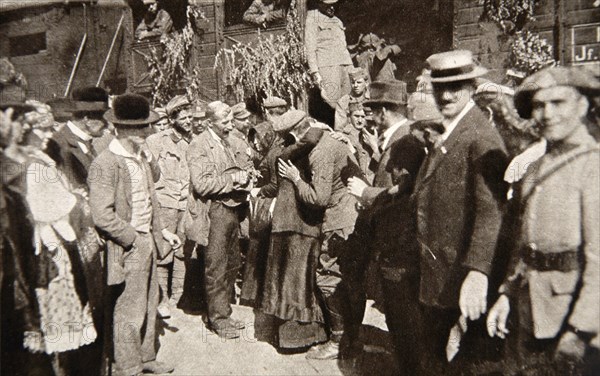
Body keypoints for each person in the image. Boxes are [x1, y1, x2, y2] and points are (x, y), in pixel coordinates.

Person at [487, 66, 600, 375]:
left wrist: (581, 330)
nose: (547, 113)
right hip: (532, 311)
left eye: (558, 103)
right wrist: (507, 295)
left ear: (583, 105)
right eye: (539, 105)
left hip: (577, 320)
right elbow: (526, 245)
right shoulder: (535, 168)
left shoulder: (593, 167)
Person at [412, 50, 508, 373]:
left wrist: (479, 270)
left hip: (460, 274)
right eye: (440, 87)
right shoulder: (454, 130)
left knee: (463, 359)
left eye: (457, 86)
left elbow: (491, 209)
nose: (447, 95)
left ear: (471, 86)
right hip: (442, 272)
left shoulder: (479, 134)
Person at [88, 94, 177, 375]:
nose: (149, 131)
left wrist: (159, 231)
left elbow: (150, 196)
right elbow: (102, 214)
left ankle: (146, 356)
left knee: (150, 301)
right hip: (128, 245)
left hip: (148, 239)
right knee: (129, 308)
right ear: (125, 129)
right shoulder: (106, 163)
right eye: (143, 128)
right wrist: (133, 239)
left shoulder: (139, 156)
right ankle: (128, 366)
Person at [278, 111, 362, 360]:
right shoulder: (332, 139)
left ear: (295, 134)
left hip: (339, 221)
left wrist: (295, 179)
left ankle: (338, 340)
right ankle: (353, 339)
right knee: (352, 281)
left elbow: (319, 198)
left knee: (327, 278)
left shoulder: (320, 153)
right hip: (353, 217)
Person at [259, 110, 328, 349]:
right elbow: (311, 137)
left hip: (291, 223)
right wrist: (324, 129)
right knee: (296, 281)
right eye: (305, 126)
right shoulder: (287, 154)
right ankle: (298, 338)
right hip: (296, 223)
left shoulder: (290, 151)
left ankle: (300, 335)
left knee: (294, 279)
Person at [185, 101, 253, 339]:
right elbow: (202, 184)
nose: (229, 125)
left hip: (234, 209)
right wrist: (234, 180)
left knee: (232, 262)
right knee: (216, 265)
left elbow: (245, 165)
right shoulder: (199, 145)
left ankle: (223, 310)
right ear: (209, 122)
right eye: (224, 122)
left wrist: (248, 174)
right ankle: (218, 318)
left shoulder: (230, 141)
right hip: (214, 211)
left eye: (230, 120)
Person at [146, 97, 193, 319]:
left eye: (189, 116)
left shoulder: (188, 143)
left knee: (182, 250)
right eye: (182, 117)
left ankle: (178, 297)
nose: (188, 121)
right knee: (163, 251)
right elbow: (150, 173)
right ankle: (162, 299)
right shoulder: (155, 141)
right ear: (172, 119)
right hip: (165, 202)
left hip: (184, 203)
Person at [346, 80, 412, 207]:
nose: (369, 119)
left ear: (382, 112)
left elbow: (405, 194)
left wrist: (366, 193)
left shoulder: (404, 141)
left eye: (372, 113)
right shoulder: (400, 136)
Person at [46, 86, 109, 189]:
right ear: (87, 119)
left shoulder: (85, 142)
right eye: (104, 119)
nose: (107, 124)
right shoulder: (58, 146)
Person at [305, 0, 353, 108]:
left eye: (333, 5)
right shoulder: (313, 18)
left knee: (350, 102)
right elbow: (310, 48)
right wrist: (315, 72)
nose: (331, 8)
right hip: (328, 66)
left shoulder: (337, 20)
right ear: (319, 3)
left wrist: (351, 67)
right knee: (333, 103)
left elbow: (343, 45)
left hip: (346, 64)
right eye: (328, 5)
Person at [340, 102, 375, 183]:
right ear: (349, 117)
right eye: (356, 116)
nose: (360, 120)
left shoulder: (369, 135)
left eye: (363, 117)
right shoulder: (344, 137)